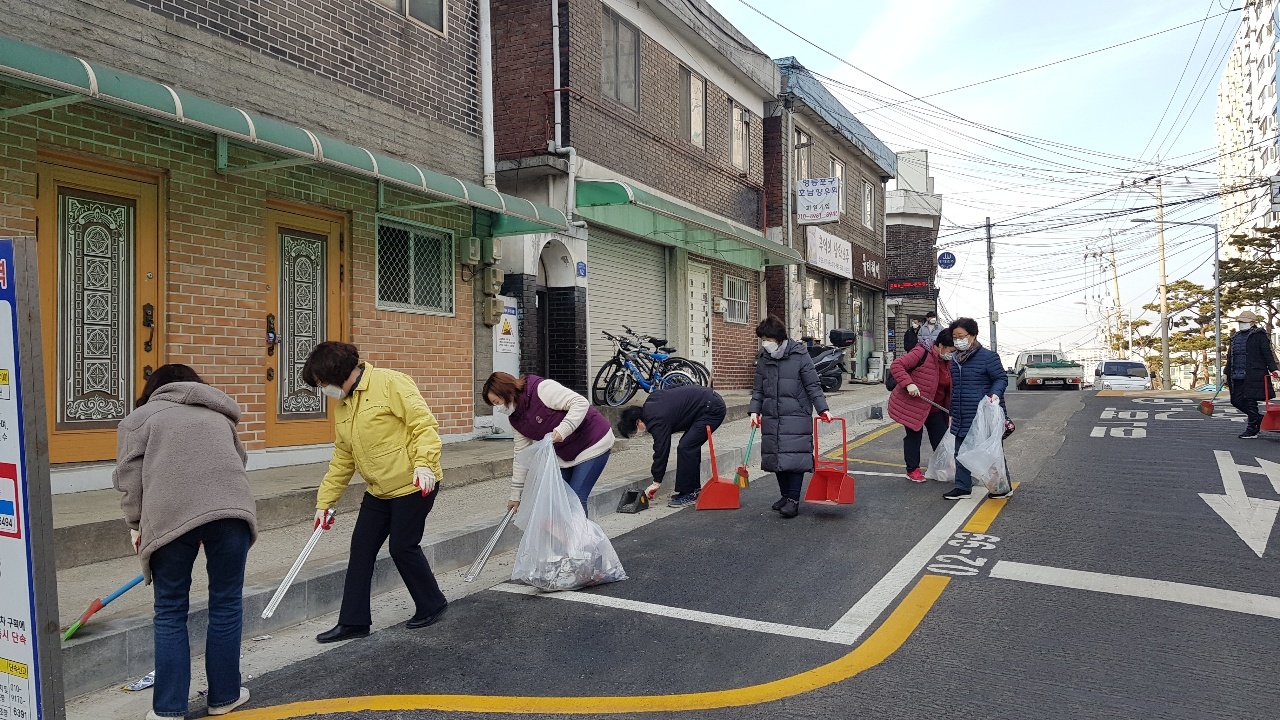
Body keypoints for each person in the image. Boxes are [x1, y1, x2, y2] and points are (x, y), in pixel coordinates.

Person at [114, 364, 257, 719]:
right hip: (232, 512)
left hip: (171, 518)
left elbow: (129, 479)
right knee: (226, 605)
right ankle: (224, 698)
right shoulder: (219, 416)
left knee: (170, 611)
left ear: (154, 389)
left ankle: (168, 710)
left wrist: (136, 524)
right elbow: (240, 461)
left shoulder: (140, 419)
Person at [304, 342, 448, 644]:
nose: (323, 390)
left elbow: (424, 426)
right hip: (378, 490)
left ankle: (432, 603)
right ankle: (353, 622)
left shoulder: (390, 382)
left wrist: (425, 464)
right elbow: (343, 457)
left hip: (414, 484)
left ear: (337, 373)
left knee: (402, 546)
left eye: (321, 383)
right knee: (361, 549)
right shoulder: (343, 404)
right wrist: (325, 502)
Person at [483, 372, 614, 514]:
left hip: (593, 441)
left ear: (506, 392)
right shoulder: (516, 420)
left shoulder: (541, 389)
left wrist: (564, 429)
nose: (498, 408)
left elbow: (580, 402)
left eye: (497, 402)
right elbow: (521, 456)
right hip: (566, 453)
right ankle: (567, 535)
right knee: (557, 500)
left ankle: (579, 536)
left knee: (575, 500)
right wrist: (515, 496)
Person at [748, 315, 833, 518]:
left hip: (796, 412)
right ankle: (785, 495)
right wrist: (754, 411)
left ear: (778, 338)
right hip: (772, 414)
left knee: (794, 457)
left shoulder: (799, 355)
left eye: (767, 339)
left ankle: (793, 500)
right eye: (763, 339)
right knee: (777, 456)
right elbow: (758, 388)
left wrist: (823, 409)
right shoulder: (764, 357)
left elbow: (813, 385)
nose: (764, 343)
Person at [615, 385, 727, 507]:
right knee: (688, 445)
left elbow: (661, 450)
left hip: (712, 409)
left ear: (638, 421)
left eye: (634, 431)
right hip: (706, 403)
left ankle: (689, 493)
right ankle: (692, 489)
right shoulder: (651, 403)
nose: (638, 433)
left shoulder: (656, 419)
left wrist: (656, 482)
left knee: (686, 447)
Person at [944, 318, 1012, 500]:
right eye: (955, 337)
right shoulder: (955, 360)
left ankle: (1002, 487)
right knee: (960, 452)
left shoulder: (988, 357)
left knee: (990, 452)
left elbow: (1001, 379)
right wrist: (952, 412)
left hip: (982, 414)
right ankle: (962, 487)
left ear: (973, 336)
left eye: (961, 336)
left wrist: (994, 394)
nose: (958, 340)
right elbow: (955, 389)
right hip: (961, 413)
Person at [889, 328, 955, 482]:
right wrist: (909, 384)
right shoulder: (921, 352)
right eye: (950, 350)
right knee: (914, 436)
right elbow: (897, 366)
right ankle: (912, 469)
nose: (952, 354)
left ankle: (943, 467)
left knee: (941, 437)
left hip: (936, 406)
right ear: (940, 346)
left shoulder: (950, 361)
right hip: (914, 404)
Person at [1225, 310, 1280, 439]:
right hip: (1236, 374)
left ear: (1252, 323)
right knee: (1236, 400)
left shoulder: (1259, 335)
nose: (1241, 324)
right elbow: (1230, 357)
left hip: (1254, 373)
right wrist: (1225, 373)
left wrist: (1274, 369)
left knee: (1250, 401)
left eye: (1244, 322)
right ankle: (1258, 419)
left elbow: (1267, 353)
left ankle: (1251, 429)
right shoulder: (1235, 337)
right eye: (1240, 322)